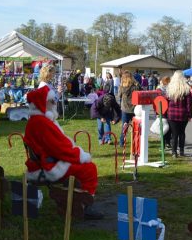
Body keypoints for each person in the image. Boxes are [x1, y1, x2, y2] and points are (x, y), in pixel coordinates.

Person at [24, 85, 101, 218]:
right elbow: (60, 148)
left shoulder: (37, 120)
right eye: (52, 101)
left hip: (46, 161)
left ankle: (75, 200)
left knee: (83, 167)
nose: (55, 104)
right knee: (89, 168)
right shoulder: (42, 123)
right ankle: (84, 205)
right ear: (43, 103)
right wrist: (80, 155)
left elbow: (58, 146)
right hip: (50, 166)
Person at [166, 70, 192, 157]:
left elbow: (166, 101)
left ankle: (174, 152)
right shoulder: (186, 89)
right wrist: (190, 115)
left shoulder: (170, 88)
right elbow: (189, 104)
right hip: (183, 114)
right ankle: (181, 151)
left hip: (172, 114)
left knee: (174, 134)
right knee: (182, 133)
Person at [119, 70, 138, 147]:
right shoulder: (136, 86)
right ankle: (136, 142)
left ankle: (121, 142)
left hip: (125, 109)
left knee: (124, 127)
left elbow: (119, 95)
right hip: (134, 109)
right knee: (136, 128)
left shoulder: (122, 87)